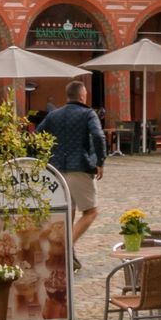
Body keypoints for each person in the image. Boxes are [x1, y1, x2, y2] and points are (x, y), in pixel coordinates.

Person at [41, 80, 106, 271]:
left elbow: (37, 135)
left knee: (67, 213)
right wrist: (100, 161)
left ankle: (69, 259)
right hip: (80, 167)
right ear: (82, 95)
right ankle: (64, 248)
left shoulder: (54, 115)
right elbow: (99, 136)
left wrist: (47, 156)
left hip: (57, 169)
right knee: (91, 212)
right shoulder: (88, 113)